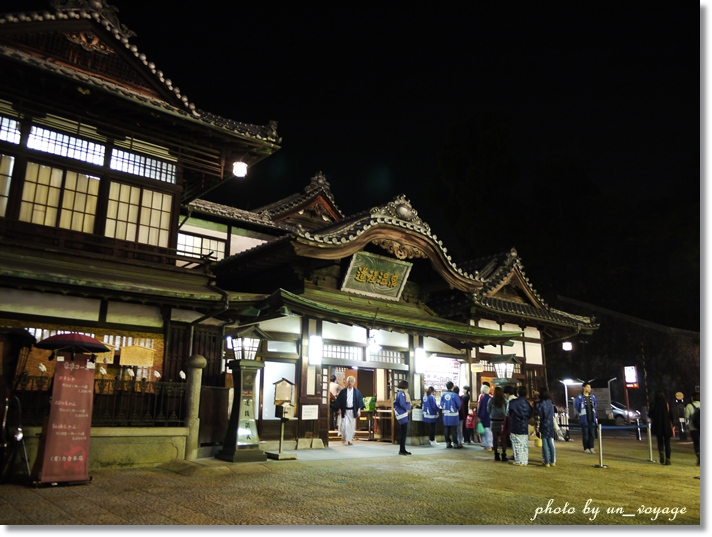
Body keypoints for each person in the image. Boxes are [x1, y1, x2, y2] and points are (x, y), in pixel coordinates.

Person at [334, 375, 365, 446]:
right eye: (349, 381)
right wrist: (339, 409)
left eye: (351, 381)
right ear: (347, 382)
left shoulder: (357, 392)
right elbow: (339, 401)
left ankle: (349, 440)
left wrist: (359, 410)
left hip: (352, 411)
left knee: (351, 426)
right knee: (344, 425)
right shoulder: (343, 391)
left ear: (354, 382)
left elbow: (359, 402)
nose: (350, 383)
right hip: (345, 411)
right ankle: (344, 436)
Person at [507, 385, 533, 466]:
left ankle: (519, 460)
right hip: (524, 425)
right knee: (524, 444)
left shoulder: (512, 402)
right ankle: (524, 460)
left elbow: (507, 413)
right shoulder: (527, 404)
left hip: (515, 424)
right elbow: (529, 414)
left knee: (516, 444)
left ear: (518, 393)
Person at [649, 390, 674, 465]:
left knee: (660, 441)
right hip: (666, 426)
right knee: (667, 443)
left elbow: (650, 415)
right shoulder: (667, 404)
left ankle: (661, 453)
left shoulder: (653, 404)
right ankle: (668, 459)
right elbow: (671, 415)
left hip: (657, 426)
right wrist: (673, 423)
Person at [573, 383, 597, 454]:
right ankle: (586, 448)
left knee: (592, 434)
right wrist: (580, 412)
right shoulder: (579, 397)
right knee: (585, 434)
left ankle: (591, 447)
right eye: (587, 387)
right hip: (584, 418)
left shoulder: (592, 397)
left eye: (590, 387)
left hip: (592, 418)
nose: (589, 389)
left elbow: (595, 405)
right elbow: (576, 406)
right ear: (583, 388)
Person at [487, 386, 509, 462]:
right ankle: (504, 454)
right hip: (503, 421)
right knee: (503, 439)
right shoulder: (505, 400)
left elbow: (488, 410)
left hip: (494, 420)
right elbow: (507, 411)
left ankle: (496, 454)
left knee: (495, 438)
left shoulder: (491, 400)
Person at [536, 388, 556, 467]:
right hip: (550, 424)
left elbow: (539, 414)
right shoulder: (550, 403)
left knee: (544, 443)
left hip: (543, 424)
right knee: (550, 443)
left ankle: (546, 461)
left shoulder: (541, 404)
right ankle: (552, 461)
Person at [440, 381, 461, 448]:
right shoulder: (455, 395)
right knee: (454, 429)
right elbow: (459, 404)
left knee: (446, 428)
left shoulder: (443, 395)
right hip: (453, 414)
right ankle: (455, 443)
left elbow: (441, 404)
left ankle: (448, 443)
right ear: (452, 387)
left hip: (445, 414)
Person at [394, 380, 412, 455]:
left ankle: (403, 449)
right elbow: (402, 403)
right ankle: (401, 449)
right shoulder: (401, 393)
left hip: (403, 413)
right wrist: (408, 408)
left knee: (403, 432)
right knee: (403, 432)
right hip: (402, 413)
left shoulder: (401, 393)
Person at [684, 393, 700, 465]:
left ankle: (699, 456)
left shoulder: (689, 406)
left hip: (693, 427)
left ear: (692, 398)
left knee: (696, 443)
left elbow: (686, 416)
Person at [477, 384, 493, 451]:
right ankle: (487, 445)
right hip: (490, 417)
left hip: (485, 418)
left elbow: (483, 409)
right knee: (488, 431)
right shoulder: (490, 398)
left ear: (482, 391)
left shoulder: (483, 399)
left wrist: (480, 417)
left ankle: (488, 445)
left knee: (486, 432)